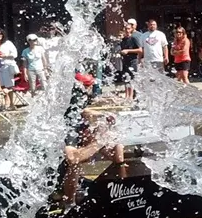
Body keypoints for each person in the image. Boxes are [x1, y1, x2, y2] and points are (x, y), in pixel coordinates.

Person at [61, 73, 127, 208]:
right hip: (53, 178)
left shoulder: (79, 111)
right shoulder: (70, 121)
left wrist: (113, 135)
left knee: (104, 139)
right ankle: (68, 204)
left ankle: (122, 195)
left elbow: (116, 157)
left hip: (73, 178)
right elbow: (73, 158)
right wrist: (99, 142)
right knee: (75, 164)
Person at [0, 28, 18, 110]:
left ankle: (12, 103)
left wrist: (5, 56)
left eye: (0, 34)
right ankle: (7, 101)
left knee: (9, 85)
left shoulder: (8, 43)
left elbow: (15, 54)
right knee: (1, 85)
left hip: (7, 66)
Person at [119, 23, 142, 100]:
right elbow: (122, 49)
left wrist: (128, 51)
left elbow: (140, 50)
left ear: (131, 29)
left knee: (132, 78)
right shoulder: (123, 40)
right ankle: (126, 96)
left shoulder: (134, 38)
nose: (127, 30)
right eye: (126, 29)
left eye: (129, 29)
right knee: (126, 78)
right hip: (125, 60)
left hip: (133, 60)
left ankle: (131, 96)